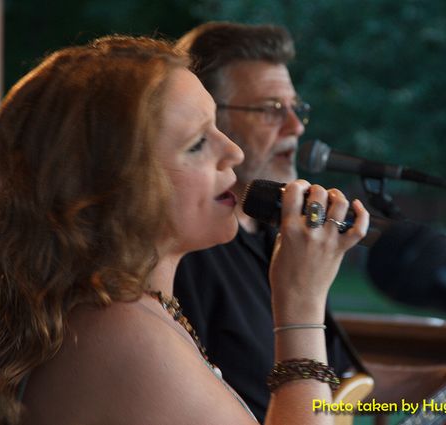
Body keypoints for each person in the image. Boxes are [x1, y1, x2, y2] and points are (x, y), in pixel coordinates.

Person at [0, 35, 370, 425]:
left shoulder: (124, 310)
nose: (233, 153)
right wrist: (300, 306)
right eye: (198, 143)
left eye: (218, 127)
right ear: (113, 182)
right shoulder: (119, 332)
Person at [173, 22, 355, 422]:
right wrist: (302, 304)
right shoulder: (185, 253)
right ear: (208, 118)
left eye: (296, 109)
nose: (296, 127)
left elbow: (342, 381)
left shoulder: (282, 236)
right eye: (272, 109)